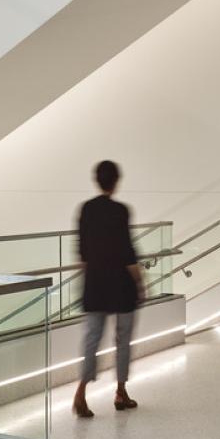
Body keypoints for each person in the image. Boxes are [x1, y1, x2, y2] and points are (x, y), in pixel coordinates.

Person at [73, 160, 141, 418]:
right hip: (121, 286)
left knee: (92, 339)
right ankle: (121, 392)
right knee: (123, 339)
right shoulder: (121, 211)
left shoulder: (86, 210)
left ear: (97, 180)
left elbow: (82, 253)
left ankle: (80, 392)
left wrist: (87, 281)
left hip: (95, 284)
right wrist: (140, 282)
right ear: (116, 182)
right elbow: (127, 251)